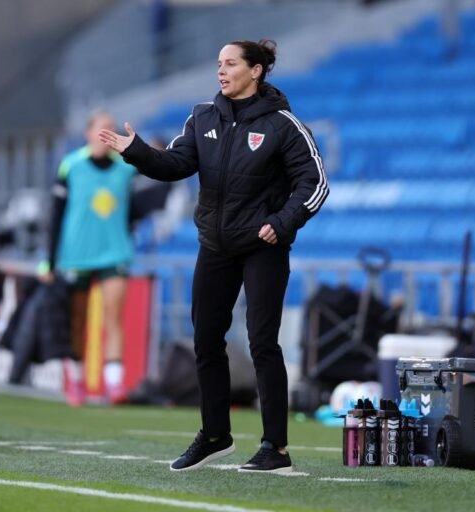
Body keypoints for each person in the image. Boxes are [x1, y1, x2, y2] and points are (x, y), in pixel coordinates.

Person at [99, 39, 328, 473]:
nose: (220, 71)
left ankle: (275, 449)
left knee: (262, 344)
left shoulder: (283, 125)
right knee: (205, 342)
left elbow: (315, 184)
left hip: (264, 247)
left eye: (230, 64)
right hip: (216, 246)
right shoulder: (202, 116)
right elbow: (175, 165)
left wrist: (281, 223)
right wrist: (136, 151)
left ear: (256, 70)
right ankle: (215, 435)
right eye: (218, 64)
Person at [44, 112, 137, 407]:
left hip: (115, 252)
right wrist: (50, 260)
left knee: (113, 317)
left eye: (111, 128)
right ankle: (77, 378)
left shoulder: (126, 168)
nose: (106, 132)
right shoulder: (71, 165)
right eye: (101, 128)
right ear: (88, 133)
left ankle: (114, 384)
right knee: (77, 320)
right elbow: (56, 215)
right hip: (76, 256)